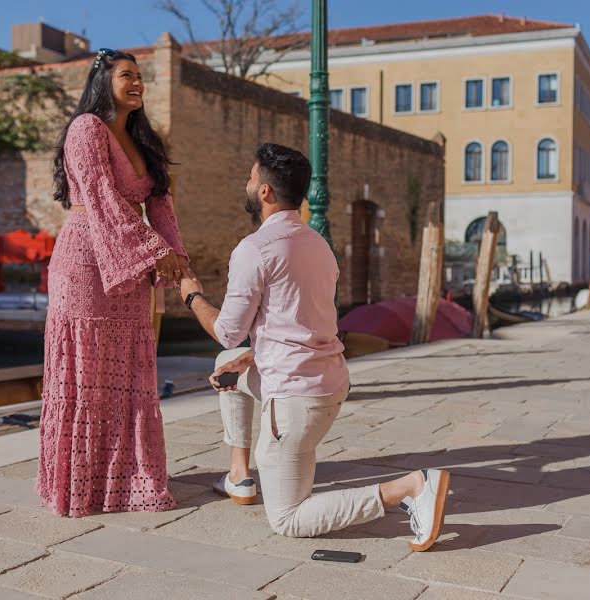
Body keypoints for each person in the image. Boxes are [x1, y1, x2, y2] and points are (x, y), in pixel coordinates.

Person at [178, 143, 449, 551]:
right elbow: (301, 323)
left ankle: (410, 488)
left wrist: (192, 297)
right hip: (329, 385)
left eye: (251, 178)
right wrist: (252, 355)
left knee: (288, 518)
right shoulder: (319, 245)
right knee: (227, 364)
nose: (247, 184)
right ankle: (239, 474)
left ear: (265, 192)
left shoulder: (254, 249)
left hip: (295, 402)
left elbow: (229, 330)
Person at [36, 48, 189, 517]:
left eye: (141, 77)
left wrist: (177, 257)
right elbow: (102, 199)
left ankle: (130, 478)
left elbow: (160, 205)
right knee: (86, 374)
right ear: (104, 80)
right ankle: (80, 484)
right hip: (84, 261)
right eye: (128, 76)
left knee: (126, 372)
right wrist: (155, 252)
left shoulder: (144, 142)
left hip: (128, 265)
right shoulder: (86, 130)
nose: (137, 83)